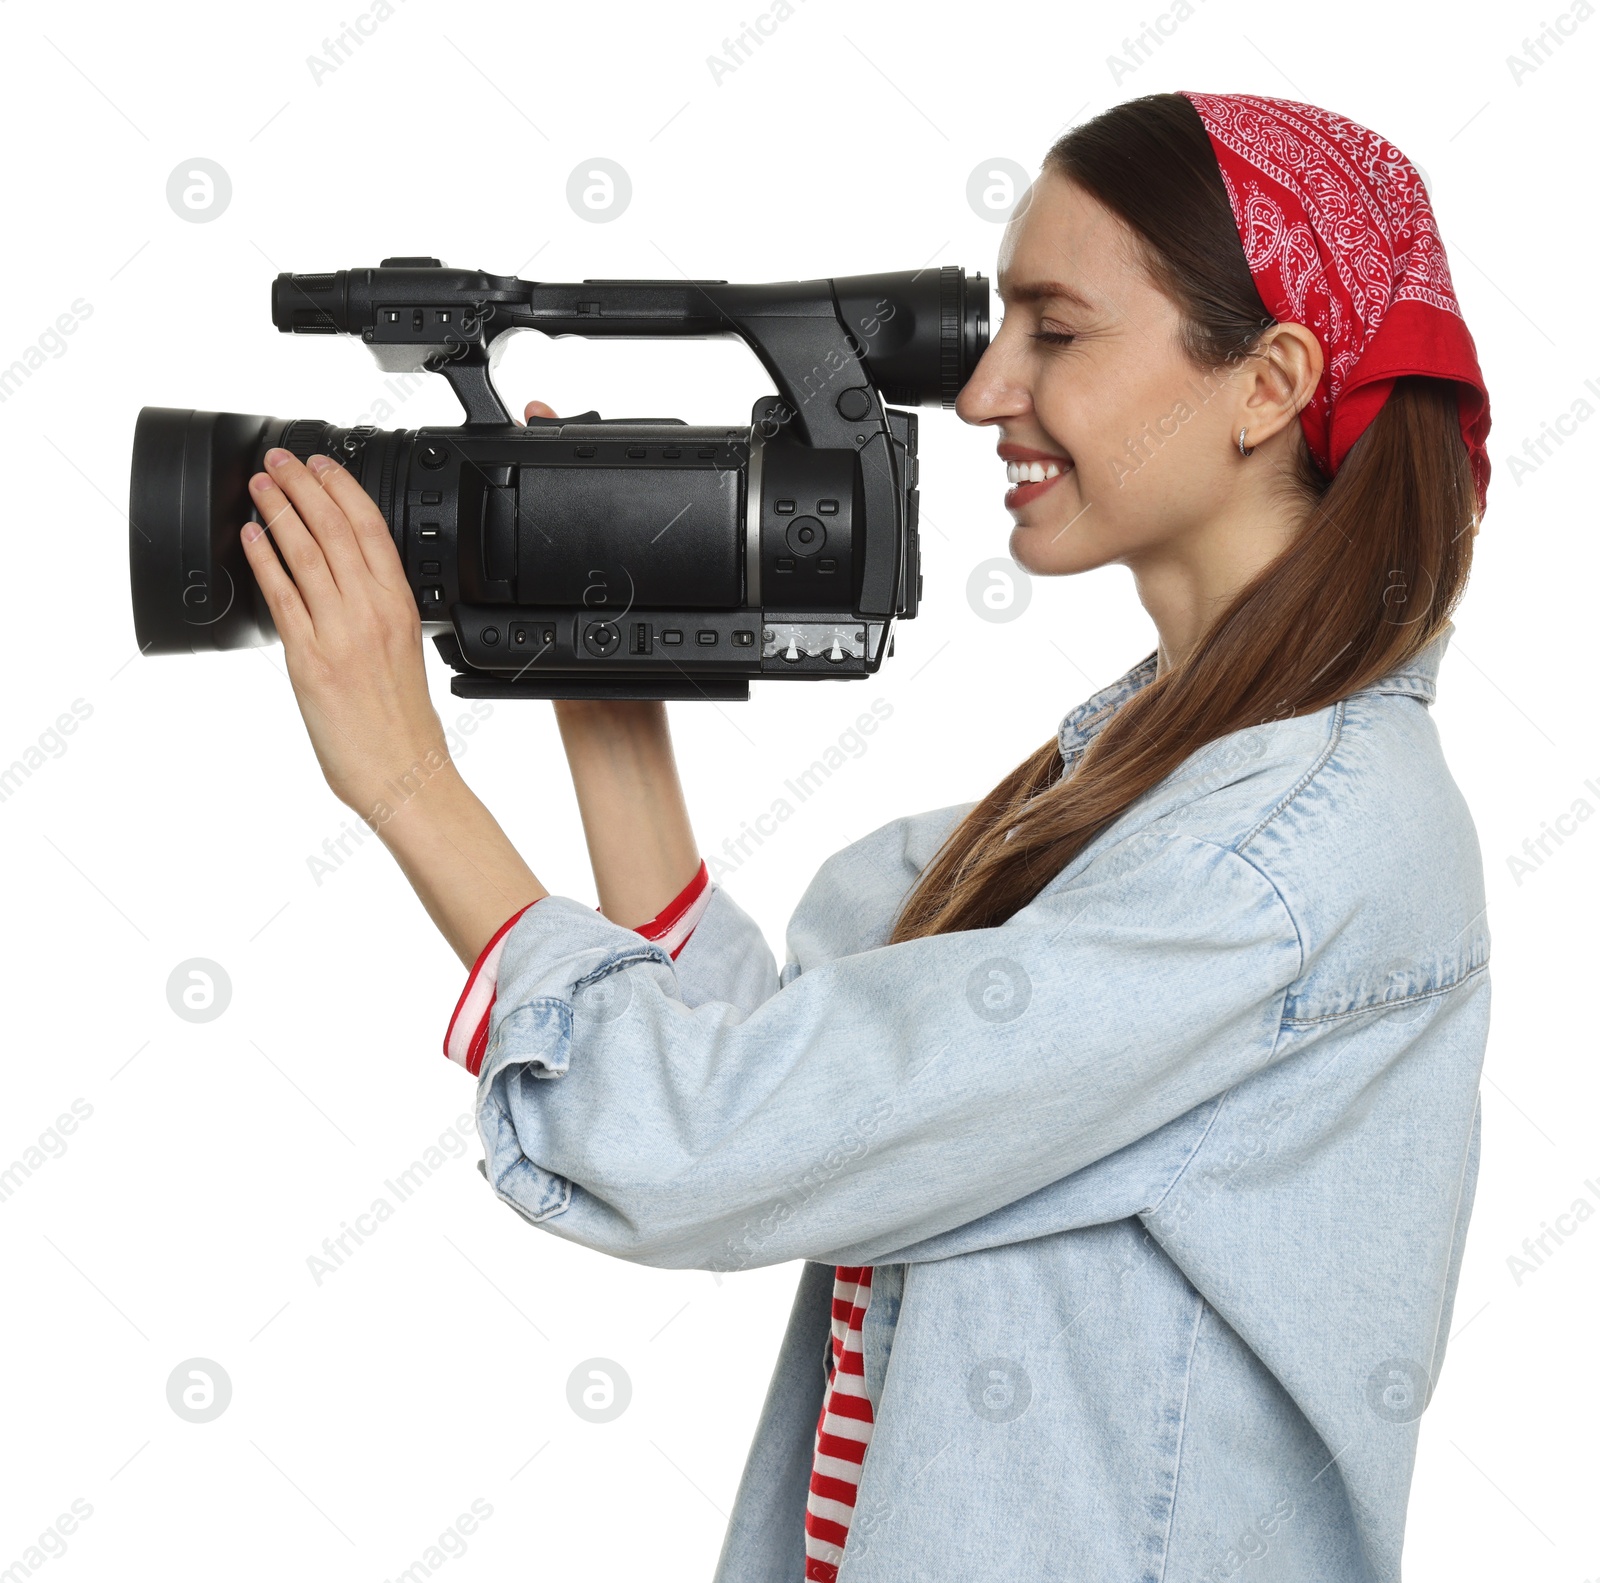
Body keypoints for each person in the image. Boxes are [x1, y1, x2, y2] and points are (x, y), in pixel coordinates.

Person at [237, 89, 1493, 1583]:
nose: (981, 397)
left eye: (1058, 332)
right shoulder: (1151, 789)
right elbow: (804, 1086)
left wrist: (408, 787)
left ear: (1269, 380)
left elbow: (707, 1140)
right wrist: (607, 706)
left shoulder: (1276, 866)